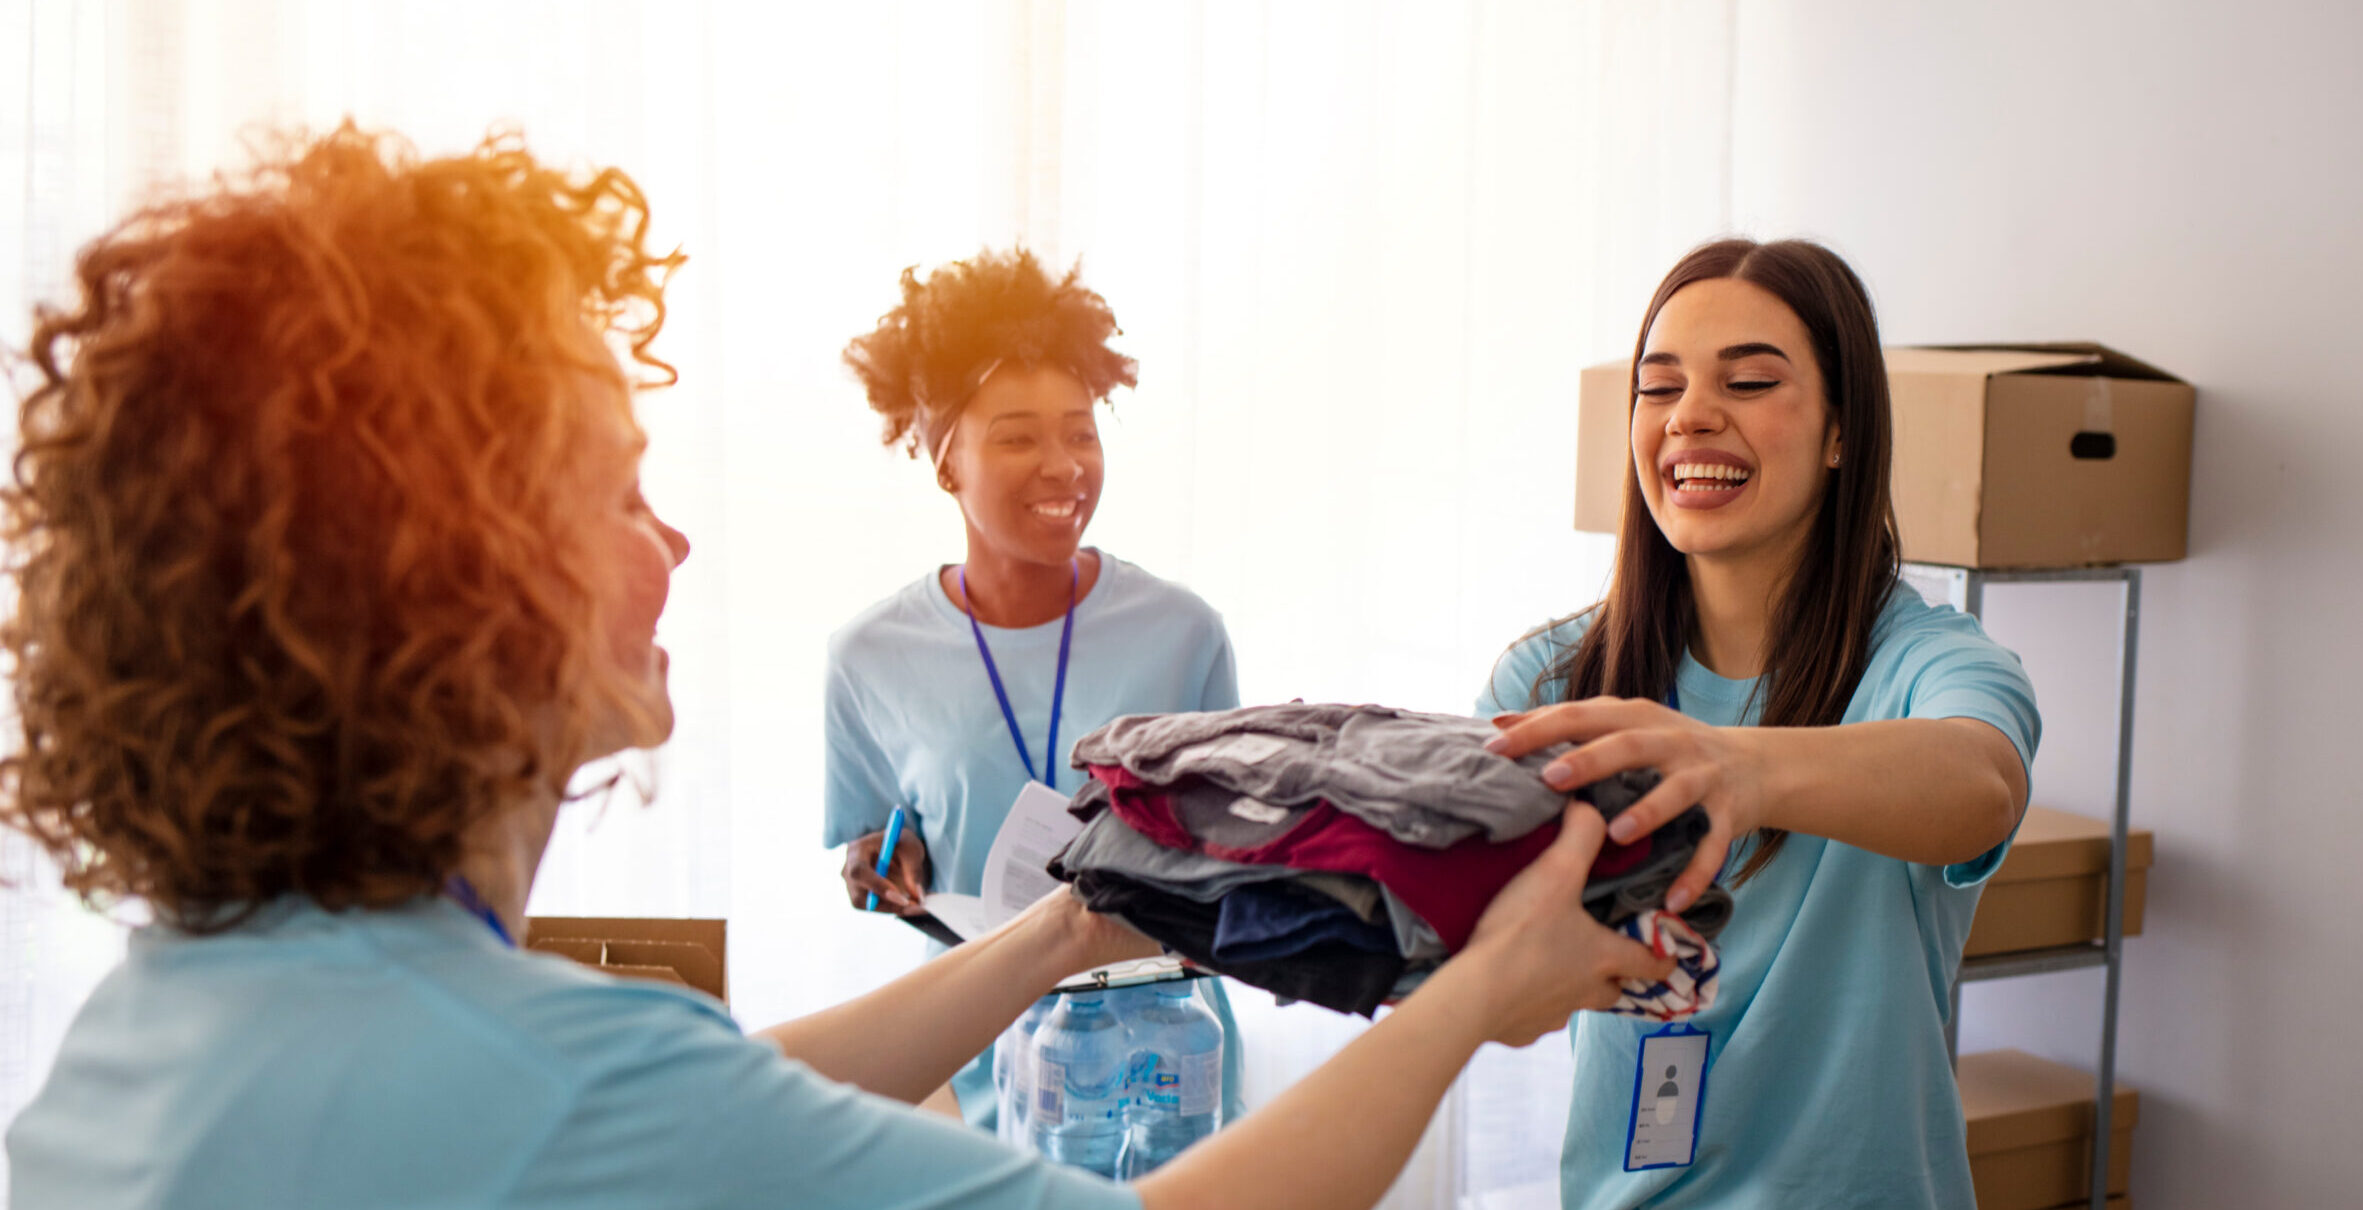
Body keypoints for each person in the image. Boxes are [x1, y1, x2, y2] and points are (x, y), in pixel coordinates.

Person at [0, 126, 1673, 1210]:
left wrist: (1071, 923)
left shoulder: (160, 1026)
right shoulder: (554, 1082)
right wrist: (1479, 994)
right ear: (449, 572)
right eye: (619, 488)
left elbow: (718, 1102)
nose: (674, 544)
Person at [1476, 238, 2042, 1208]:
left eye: (1746, 380)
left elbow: (1979, 784)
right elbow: (1494, 962)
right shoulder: (1551, 679)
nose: (1691, 415)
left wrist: (1732, 766)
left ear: (1840, 432)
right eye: (1658, 390)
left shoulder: (1930, 662)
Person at [829, 248, 1242, 1130]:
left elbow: (1232, 855)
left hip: (1166, 1065)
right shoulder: (868, 655)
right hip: (979, 1056)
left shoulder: (1185, 633)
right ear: (947, 463)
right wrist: (876, 871)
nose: (1063, 465)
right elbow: (867, 854)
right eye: (1017, 436)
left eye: (1081, 431)